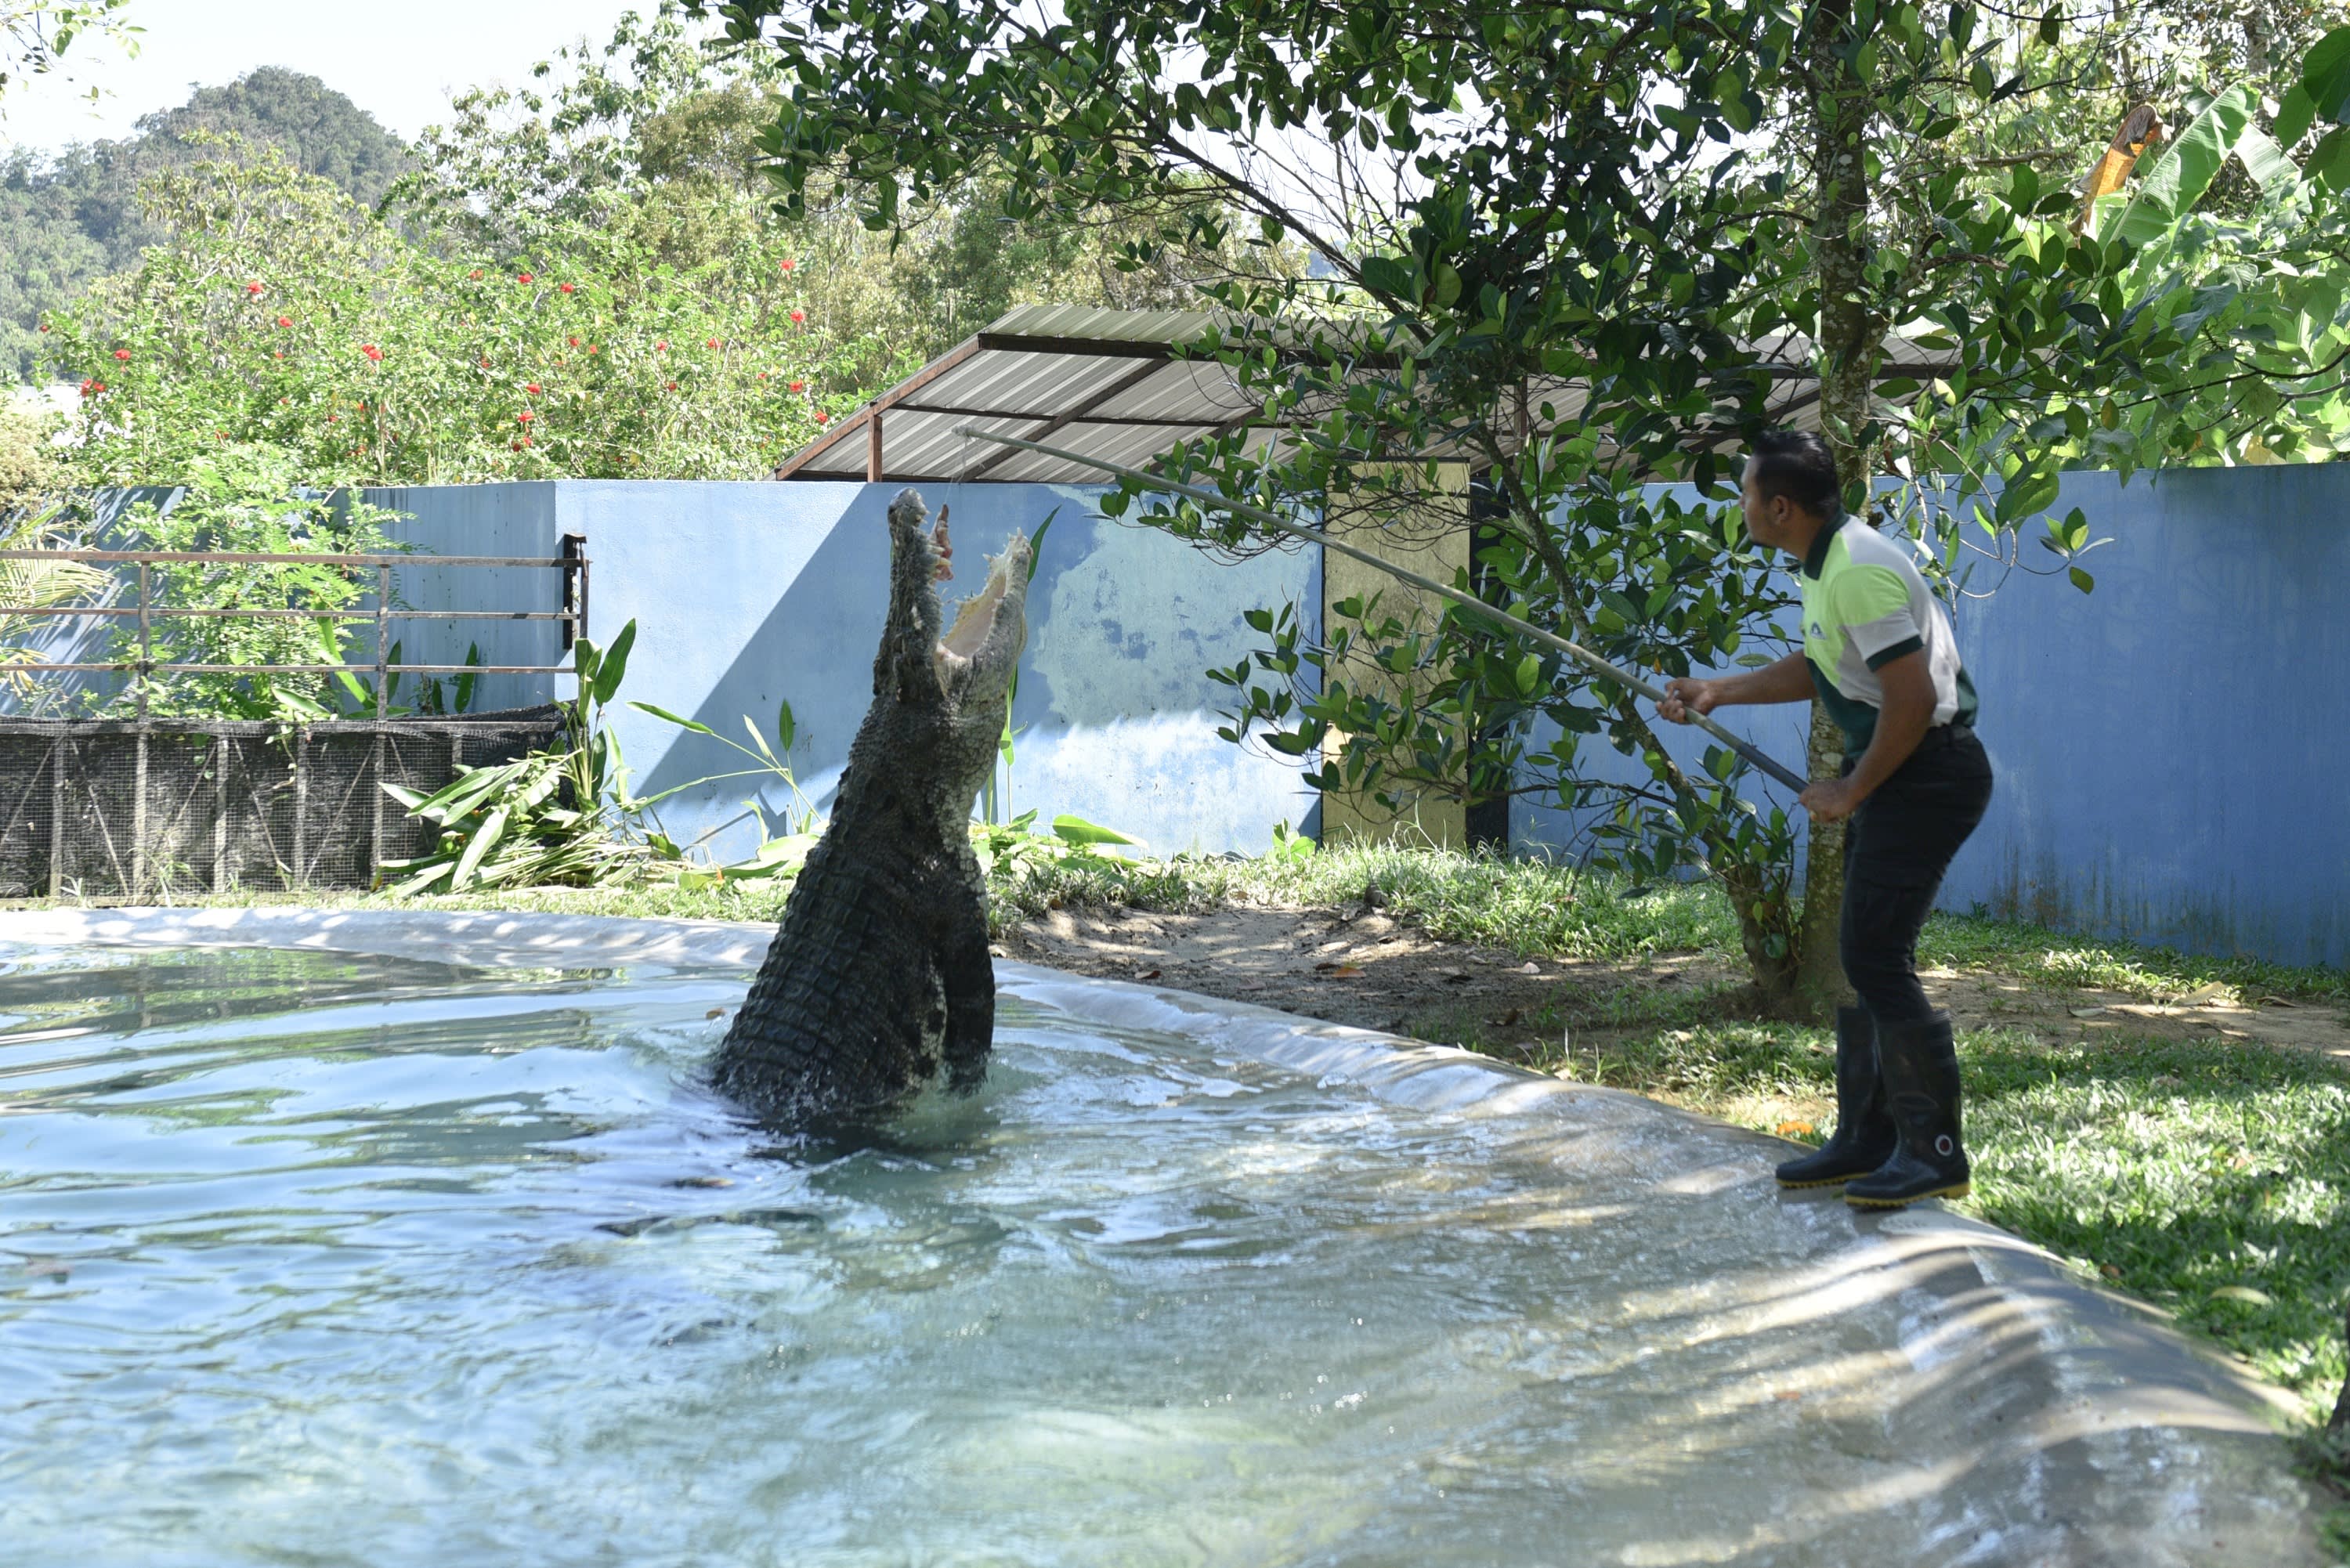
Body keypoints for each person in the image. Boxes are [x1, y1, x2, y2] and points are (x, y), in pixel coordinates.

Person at [1658, 430, 1994, 1209]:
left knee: (1875, 954)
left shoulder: (1857, 571)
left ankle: (1934, 1152)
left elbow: (1912, 698)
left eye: (1747, 493)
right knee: (1865, 951)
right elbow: (1824, 669)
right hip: (1903, 768)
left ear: (1780, 507)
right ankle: (1868, 1139)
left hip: (1928, 773)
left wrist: (1850, 789)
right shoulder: (1827, 562)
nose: (1742, 505)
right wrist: (1717, 690)